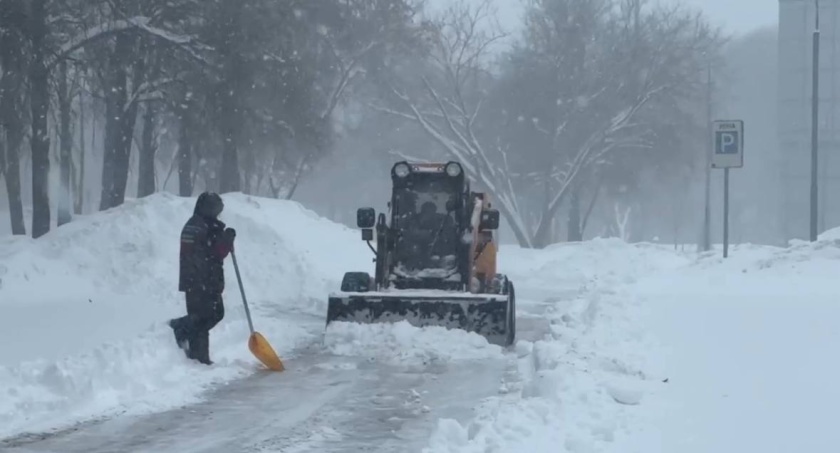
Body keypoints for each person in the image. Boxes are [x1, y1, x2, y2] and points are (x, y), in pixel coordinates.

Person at [168, 192, 236, 365]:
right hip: (202, 279)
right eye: (216, 210)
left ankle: (199, 355)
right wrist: (227, 240)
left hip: (195, 278)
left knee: (207, 315)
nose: (218, 214)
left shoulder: (196, 223)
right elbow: (216, 252)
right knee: (206, 315)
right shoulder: (203, 226)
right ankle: (181, 329)